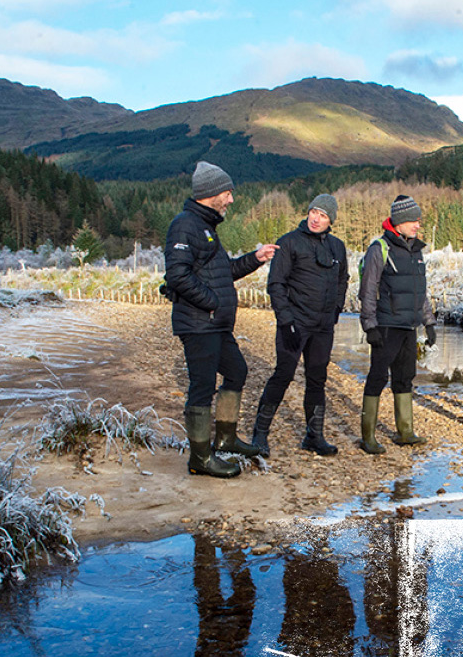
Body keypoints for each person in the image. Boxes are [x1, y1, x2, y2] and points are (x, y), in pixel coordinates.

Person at [163, 161, 279, 478]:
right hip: (199, 324)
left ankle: (226, 439)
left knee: (237, 371)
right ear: (212, 193)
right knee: (202, 387)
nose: (230, 200)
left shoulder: (205, 228)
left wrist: (255, 259)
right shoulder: (185, 225)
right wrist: (212, 303)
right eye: (227, 193)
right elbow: (176, 275)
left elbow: (223, 272)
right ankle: (200, 458)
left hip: (215, 324)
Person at [250, 194, 349, 457]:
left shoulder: (337, 247)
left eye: (323, 215)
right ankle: (259, 435)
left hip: (323, 326)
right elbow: (276, 285)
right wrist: (286, 321)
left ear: (331, 220)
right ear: (307, 213)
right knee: (283, 374)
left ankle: (313, 437)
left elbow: (343, 280)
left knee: (317, 379)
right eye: (313, 212)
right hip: (294, 325)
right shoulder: (289, 243)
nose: (316, 218)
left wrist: (336, 311)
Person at [357, 195, 437, 454]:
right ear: (399, 222)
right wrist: (370, 326)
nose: (417, 225)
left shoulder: (416, 251)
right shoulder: (379, 249)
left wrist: (429, 323)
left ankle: (405, 432)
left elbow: (420, 292)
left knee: (404, 378)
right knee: (378, 377)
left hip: (408, 327)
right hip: (386, 326)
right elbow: (367, 290)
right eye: (413, 220)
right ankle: (368, 437)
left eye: (419, 220)